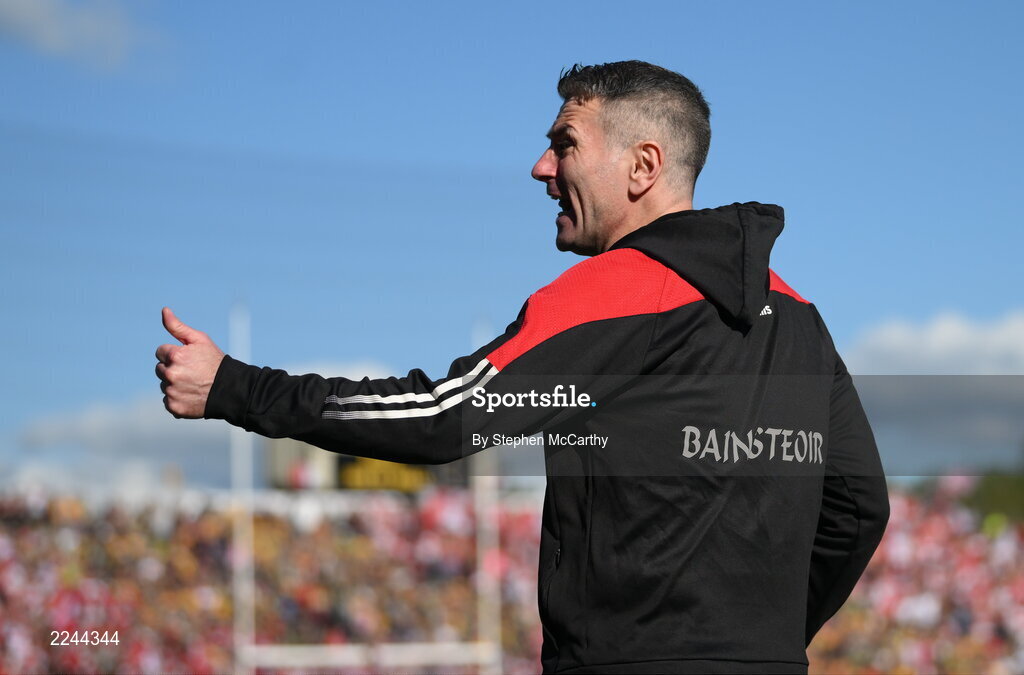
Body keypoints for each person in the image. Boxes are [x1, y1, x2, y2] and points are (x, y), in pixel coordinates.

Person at [156, 61, 889, 674]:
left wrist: (234, 386)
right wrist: (760, 643)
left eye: (563, 143)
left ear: (642, 166)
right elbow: (859, 507)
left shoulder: (617, 292)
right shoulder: (799, 314)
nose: (541, 167)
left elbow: (442, 417)